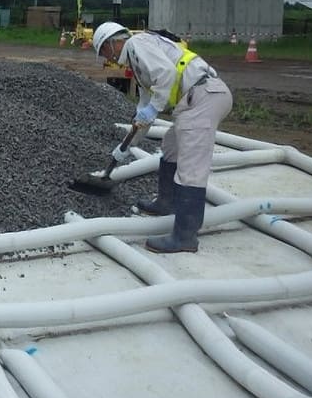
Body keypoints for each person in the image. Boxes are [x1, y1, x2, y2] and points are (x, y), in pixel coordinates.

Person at [91, 22, 233, 253]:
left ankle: (185, 237)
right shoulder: (138, 62)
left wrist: (152, 109)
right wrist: (127, 146)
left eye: (104, 51)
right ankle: (166, 203)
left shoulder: (137, 44)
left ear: (112, 42)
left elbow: (165, 75)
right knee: (171, 146)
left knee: (190, 169)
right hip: (196, 101)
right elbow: (144, 109)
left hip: (204, 96)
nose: (107, 58)